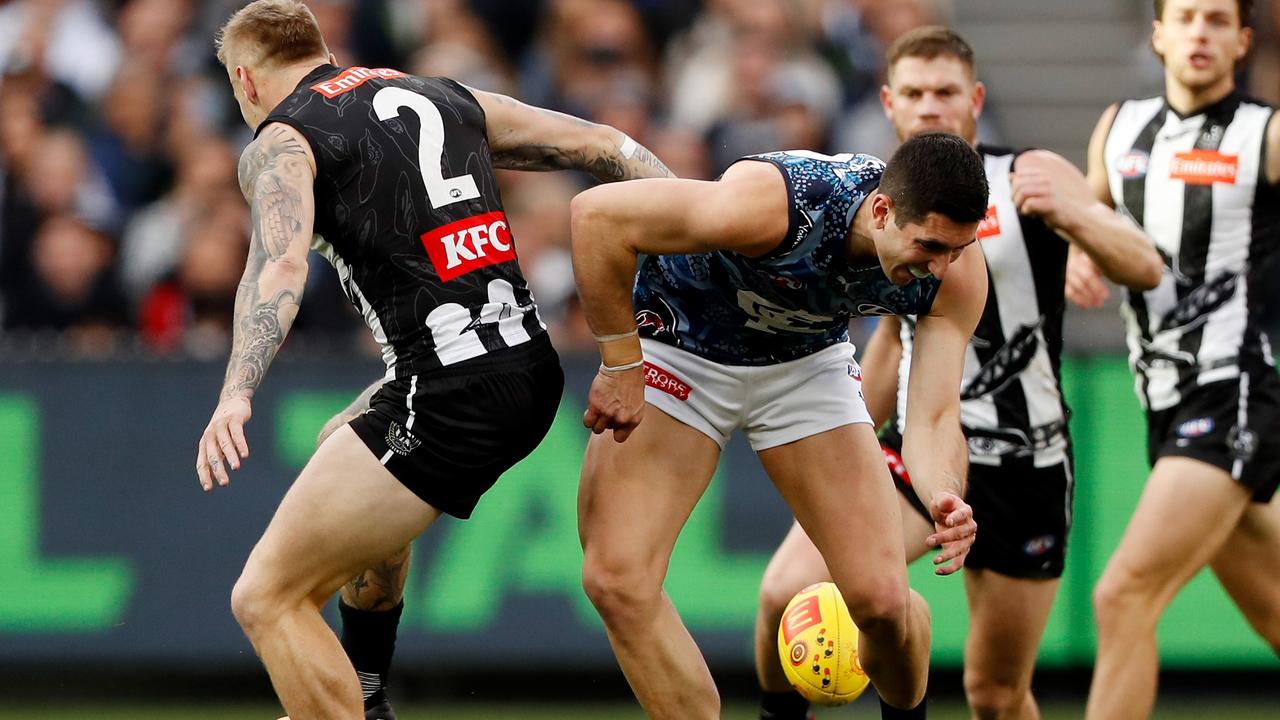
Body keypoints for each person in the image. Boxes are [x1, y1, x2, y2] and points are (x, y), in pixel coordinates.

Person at [193, 2, 672, 718]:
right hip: (529, 368)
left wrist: (236, 391)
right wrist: (697, 223)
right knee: (344, 443)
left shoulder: (283, 139)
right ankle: (368, 687)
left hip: (447, 391)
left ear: (244, 79)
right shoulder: (439, 93)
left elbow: (278, 267)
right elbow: (604, 145)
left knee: (266, 596)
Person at [750, 27, 1164, 720]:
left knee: (995, 696)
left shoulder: (1027, 174)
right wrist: (845, 444)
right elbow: (890, 339)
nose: (931, 107)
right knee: (785, 591)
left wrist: (1077, 224)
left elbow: (1143, 264)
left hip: (1023, 464)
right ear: (890, 103)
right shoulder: (882, 206)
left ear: (974, 99)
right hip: (921, 454)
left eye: (946, 92)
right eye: (914, 93)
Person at [568, 130, 987, 719]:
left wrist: (942, 490)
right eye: (930, 246)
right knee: (616, 578)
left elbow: (935, 413)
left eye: (959, 249)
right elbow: (596, 216)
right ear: (884, 210)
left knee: (883, 605)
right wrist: (619, 361)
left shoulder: (956, 272)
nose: (941, 266)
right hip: (681, 346)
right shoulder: (778, 203)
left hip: (803, 364)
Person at [1066, 1, 1280, 717]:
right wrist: (1077, 257)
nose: (1200, 32)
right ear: (1157, 33)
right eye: (1185, 16)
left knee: (1122, 594)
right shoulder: (1118, 128)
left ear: (1243, 41)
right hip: (1164, 402)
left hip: (1234, 392)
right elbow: (1089, 220)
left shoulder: (1266, 135)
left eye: (1218, 20)